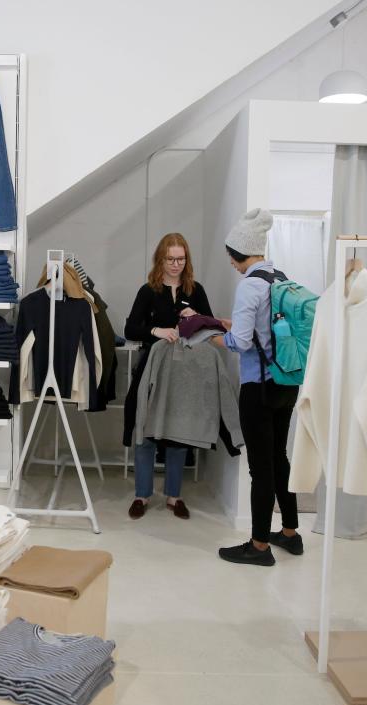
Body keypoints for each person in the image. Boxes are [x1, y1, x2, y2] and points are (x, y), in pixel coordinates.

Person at [212, 208, 302, 567]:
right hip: (286, 383)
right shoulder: (279, 277)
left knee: (260, 469)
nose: (232, 264)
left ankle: (260, 546)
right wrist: (234, 327)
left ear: (238, 253)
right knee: (279, 458)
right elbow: (268, 329)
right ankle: (290, 533)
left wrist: (215, 338)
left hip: (259, 389)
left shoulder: (249, 284)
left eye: (232, 258)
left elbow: (242, 342)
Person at [123, 233, 212, 520]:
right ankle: (142, 494)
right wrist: (156, 331)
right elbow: (130, 330)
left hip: (184, 372)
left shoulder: (195, 289)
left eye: (181, 259)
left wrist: (195, 316)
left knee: (178, 431)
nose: (176, 264)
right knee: (145, 430)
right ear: (160, 259)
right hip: (152, 367)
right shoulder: (147, 291)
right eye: (171, 259)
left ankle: (174, 496)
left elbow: (210, 329)